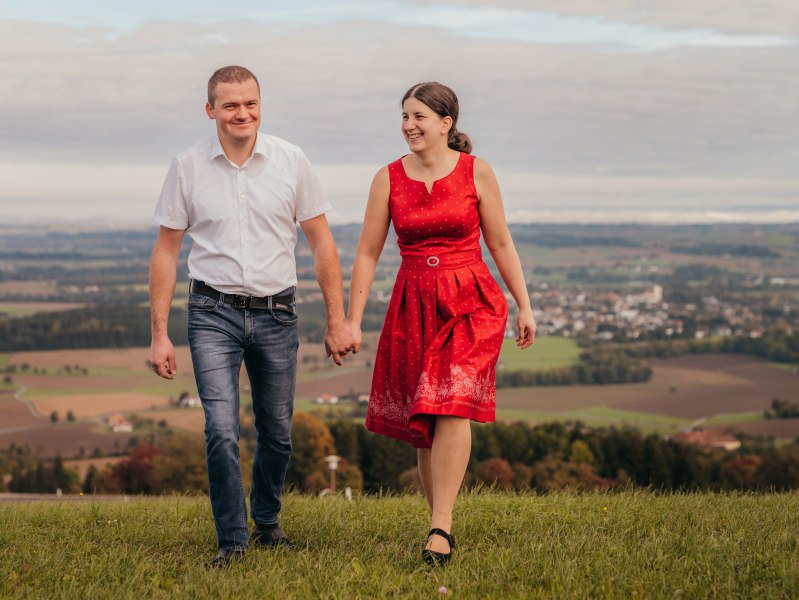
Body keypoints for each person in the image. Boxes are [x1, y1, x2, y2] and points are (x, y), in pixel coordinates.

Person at [148, 65, 354, 567]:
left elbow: (321, 241)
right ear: (210, 109)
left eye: (250, 103)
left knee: (277, 431)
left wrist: (336, 319)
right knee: (220, 428)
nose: (242, 113)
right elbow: (166, 251)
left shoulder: (291, 161)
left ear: (261, 105)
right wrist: (159, 334)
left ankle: (266, 521)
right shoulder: (188, 165)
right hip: (211, 312)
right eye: (230, 105)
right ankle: (232, 542)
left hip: (277, 314)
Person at [347, 81, 536, 565]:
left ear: (446, 123)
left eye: (419, 117)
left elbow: (501, 243)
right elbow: (368, 252)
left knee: (451, 403)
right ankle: (439, 522)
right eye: (405, 116)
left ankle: (441, 528)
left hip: (471, 299)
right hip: (413, 301)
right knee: (425, 416)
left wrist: (524, 304)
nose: (409, 126)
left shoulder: (477, 172)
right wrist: (352, 318)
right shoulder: (387, 178)